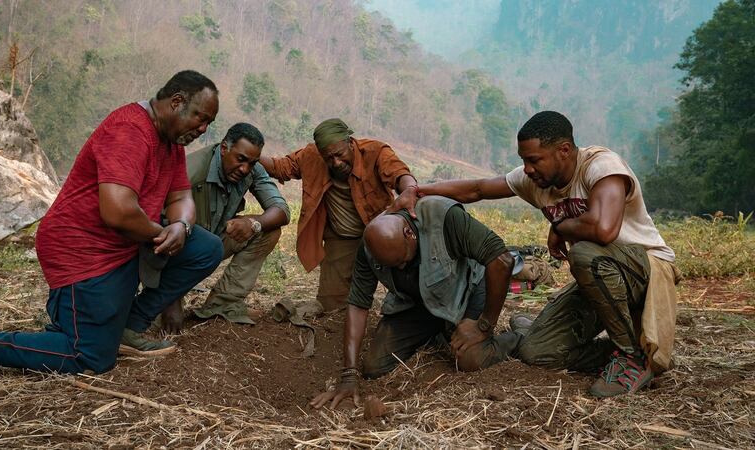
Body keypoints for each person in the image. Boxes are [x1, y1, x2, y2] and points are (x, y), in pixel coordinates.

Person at [391, 111, 680, 398]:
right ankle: (637, 353)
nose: (527, 169)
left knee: (585, 255)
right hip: (602, 283)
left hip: (646, 271)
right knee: (537, 352)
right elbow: (477, 190)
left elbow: (604, 230)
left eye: (533, 160)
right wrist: (418, 191)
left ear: (563, 150)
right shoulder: (536, 181)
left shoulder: (601, 166)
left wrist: (560, 226)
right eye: (523, 160)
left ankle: (631, 357)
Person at [0, 70, 224, 374]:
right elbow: (118, 212)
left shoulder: (172, 144)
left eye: (208, 124)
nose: (203, 129)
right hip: (82, 250)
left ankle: (127, 327)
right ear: (177, 102)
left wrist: (181, 227)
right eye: (200, 118)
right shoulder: (130, 130)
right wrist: (161, 233)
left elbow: (181, 199)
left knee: (206, 248)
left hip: (126, 245)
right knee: (89, 356)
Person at [311, 196, 520, 409]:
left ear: (409, 233)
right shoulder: (370, 245)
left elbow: (502, 261)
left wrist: (483, 325)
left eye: (402, 261)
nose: (401, 269)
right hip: (419, 303)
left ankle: (518, 337)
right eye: (393, 266)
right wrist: (349, 375)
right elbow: (358, 303)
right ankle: (441, 331)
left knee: (469, 360)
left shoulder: (443, 217)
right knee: (375, 366)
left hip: (468, 292)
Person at [259, 118, 417, 310]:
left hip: (381, 235)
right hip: (342, 239)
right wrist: (251, 155)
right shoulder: (312, 156)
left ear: (351, 143)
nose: (336, 162)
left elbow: (399, 173)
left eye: (340, 155)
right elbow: (281, 168)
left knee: (408, 292)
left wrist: (409, 189)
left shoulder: (375, 152)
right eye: (329, 158)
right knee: (331, 305)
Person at [159, 123, 290, 331]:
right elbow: (159, 234)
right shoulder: (190, 172)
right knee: (160, 318)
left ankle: (222, 304)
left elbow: (281, 210)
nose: (245, 168)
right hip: (179, 251)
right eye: (240, 160)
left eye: (252, 162)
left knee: (268, 229)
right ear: (223, 149)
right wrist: (171, 298)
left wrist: (253, 224)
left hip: (213, 242)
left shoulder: (252, 169)